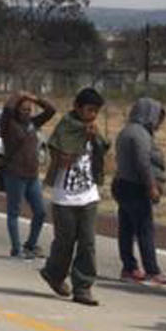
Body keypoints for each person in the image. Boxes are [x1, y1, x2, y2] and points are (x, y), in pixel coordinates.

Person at [40, 87, 108, 306]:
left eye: (96, 111)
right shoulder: (65, 128)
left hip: (88, 195)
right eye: (89, 110)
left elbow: (103, 151)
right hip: (64, 197)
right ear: (77, 107)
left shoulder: (93, 130)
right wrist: (81, 140)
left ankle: (83, 286)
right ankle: (54, 273)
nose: (92, 115)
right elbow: (62, 160)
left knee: (87, 242)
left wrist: (94, 138)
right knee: (65, 242)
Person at [112, 97, 166, 285]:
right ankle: (152, 270)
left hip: (122, 183)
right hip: (135, 187)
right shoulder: (139, 135)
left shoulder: (126, 131)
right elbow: (142, 162)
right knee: (145, 229)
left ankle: (129, 268)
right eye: (157, 118)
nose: (158, 123)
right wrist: (152, 186)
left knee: (126, 228)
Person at [0, 91, 56, 258]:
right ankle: (16, 249)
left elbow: (51, 110)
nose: (27, 113)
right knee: (14, 212)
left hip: (32, 175)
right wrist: (18, 95)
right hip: (14, 174)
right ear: (17, 110)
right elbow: (7, 109)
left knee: (41, 212)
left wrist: (35, 98)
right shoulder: (8, 124)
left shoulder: (32, 124)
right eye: (23, 109)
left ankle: (30, 245)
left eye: (29, 110)